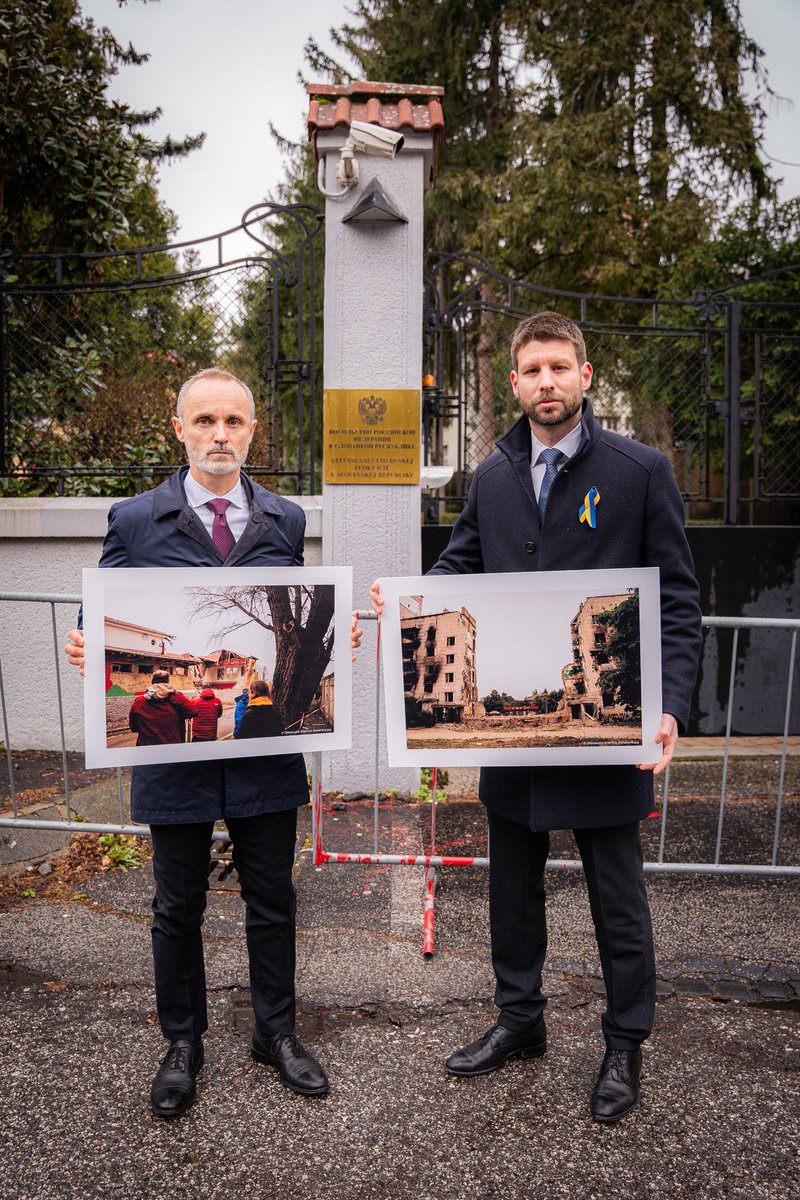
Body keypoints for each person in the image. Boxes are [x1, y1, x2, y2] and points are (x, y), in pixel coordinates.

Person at [371, 311, 702, 1123]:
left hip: (604, 732)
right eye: (532, 370)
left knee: (615, 898)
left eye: (560, 367)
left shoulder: (639, 470)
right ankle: (520, 1021)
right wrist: (408, 600)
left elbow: (680, 601)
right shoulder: (490, 478)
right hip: (515, 744)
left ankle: (625, 1044)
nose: (547, 381)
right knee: (511, 891)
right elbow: (461, 564)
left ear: (585, 377)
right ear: (513, 384)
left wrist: (670, 707)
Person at [65, 367, 361, 1118]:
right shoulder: (135, 519)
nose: (220, 435)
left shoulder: (285, 519)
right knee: (177, 904)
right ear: (180, 429)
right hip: (172, 764)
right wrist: (83, 638)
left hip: (262, 756)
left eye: (233, 421)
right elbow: (97, 606)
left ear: (253, 430)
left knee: (273, 897)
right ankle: (182, 1042)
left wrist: (340, 636)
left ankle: (276, 1033)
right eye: (205, 422)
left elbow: (301, 610)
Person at [129, 671, 196, 746]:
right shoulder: (177, 698)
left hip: (146, 747)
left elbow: (133, 727)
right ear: (168, 682)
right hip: (172, 746)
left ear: (152, 682)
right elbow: (193, 711)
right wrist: (171, 695)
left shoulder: (140, 702)